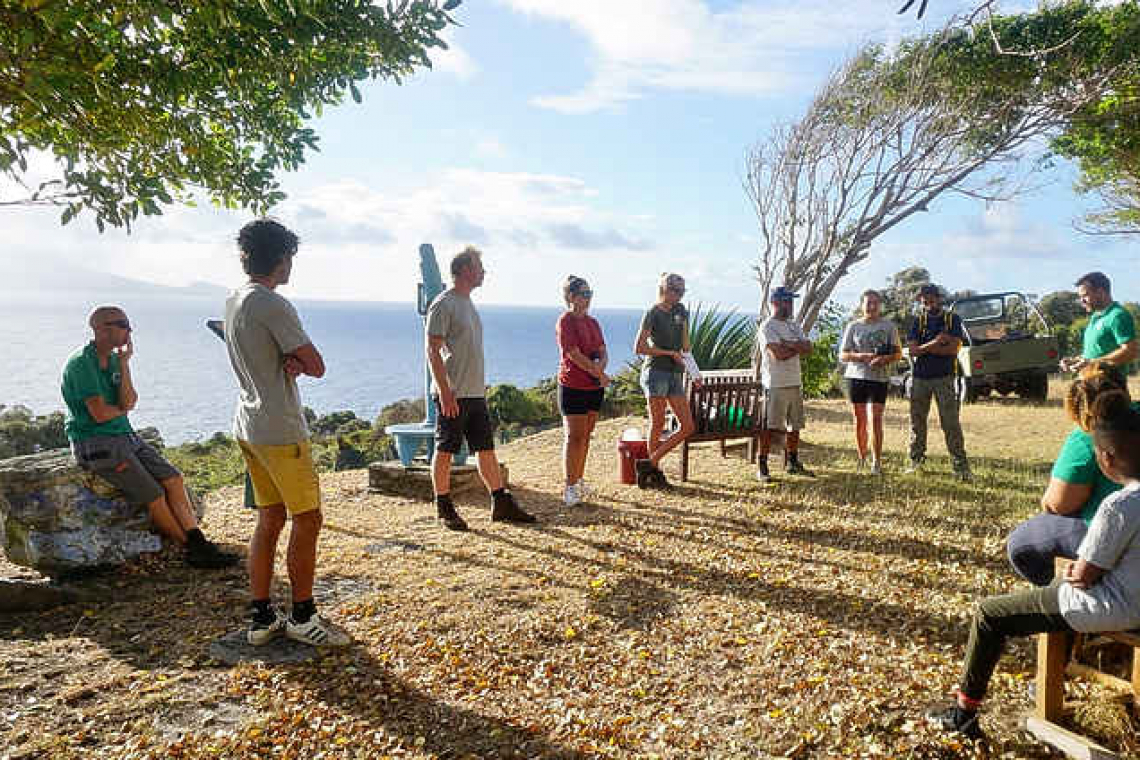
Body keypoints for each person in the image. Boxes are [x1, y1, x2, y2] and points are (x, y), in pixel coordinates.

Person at [927, 391, 1140, 738]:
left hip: (1117, 607)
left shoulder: (1119, 506)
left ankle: (963, 713)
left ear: (1106, 458)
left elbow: (1085, 575)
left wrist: (1074, 570)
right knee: (1049, 593)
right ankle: (1056, 671)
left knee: (989, 615)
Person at [225, 218, 349, 647]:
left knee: (270, 517)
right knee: (308, 519)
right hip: (280, 429)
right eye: (291, 257)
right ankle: (302, 614)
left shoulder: (236, 301)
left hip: (249, 424)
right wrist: (298, 363)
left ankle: (260, 616)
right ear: (281, 259)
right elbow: (316, 364)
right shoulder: (273, 304)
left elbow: (265, 356)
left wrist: (288, 361)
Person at [61, 306, 237, 570]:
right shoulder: (81, 364)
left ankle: (198, 541)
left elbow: (129, 401)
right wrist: (121, 409)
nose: (128, 330)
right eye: (122, 324)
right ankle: (192, 549)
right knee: (154, 495)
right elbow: (99, 414)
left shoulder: (112, 360)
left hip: (124, 435)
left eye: (128, 325)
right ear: (100, 328)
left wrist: (124, 364)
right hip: (97, 444)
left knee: (173, 479)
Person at [426, 246, 535, 530]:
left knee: (485, 449)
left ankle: (501, 502)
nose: (484, 271)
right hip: (454, 394)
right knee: (446, 449)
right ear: (464, 270)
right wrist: (445, 390)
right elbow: (432, 351)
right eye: (479, 266)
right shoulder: (443, 304)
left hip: (474, 392)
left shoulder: (467, 303)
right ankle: (443, 505)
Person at [1006, 362, 1132, 586]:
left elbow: (1058, 505)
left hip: (1117, 532)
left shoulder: (1088, 437)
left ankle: (1052, 601)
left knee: (1020, 543)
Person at [633, 272, 698, 489]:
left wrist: (694, 372)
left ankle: (648, 463)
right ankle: (654, 472)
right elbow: (640, 348)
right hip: (656, 373)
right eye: (676, 291)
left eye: (682, 291)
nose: (680, 295)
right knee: (658, 424)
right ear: (664, 289)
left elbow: (686, 346)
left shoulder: (681, 311)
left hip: (675, 374)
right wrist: (669, 354)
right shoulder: (652, 313)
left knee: (687, 426)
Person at [906, 283, 971, 481]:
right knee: (917, 422)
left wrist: (926, 348)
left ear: (938, 298)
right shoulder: (918, 321)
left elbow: (953, 350)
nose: (927, 301)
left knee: (950, 422)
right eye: (923, 298)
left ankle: (960, 466)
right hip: (920, 378)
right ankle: (916, 461)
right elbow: (913, 351)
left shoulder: (953, 319)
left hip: (944, 377)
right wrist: (936, 343)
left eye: (931, 297)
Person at [555, 276, 610, 506]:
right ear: (571, 297)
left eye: (590, 294)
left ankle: (578, 479)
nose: (588, 299)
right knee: (574, 437)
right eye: (583, 294)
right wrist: (599, 373)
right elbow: (573, 354)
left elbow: (602, 349)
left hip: (593, 387)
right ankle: (569, 485)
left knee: (586, 436)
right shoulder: (565, 321)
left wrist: (600, 368)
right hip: (573, 386)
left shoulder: (593, 322)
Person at [753, 286, 814, 483]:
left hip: (794, 381)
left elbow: (809, 347)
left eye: (791, 301)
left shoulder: (794, 325)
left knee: (794, 425)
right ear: (776, 303)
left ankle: (793, 462)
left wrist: (788, 344)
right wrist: (796, 346)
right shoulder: (767, 327)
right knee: (770, 427)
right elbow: (777, 355)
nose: (790, 305)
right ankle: (762, 465)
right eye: (787, 301)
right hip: (775, 383)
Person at [838, 289, 901, 474]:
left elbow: (897, 353)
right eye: (868, 303)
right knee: (860, 420)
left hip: (879, 378)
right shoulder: (853, 326)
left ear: (879, 305)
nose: (872, 306)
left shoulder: (889, 327)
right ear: (861, 305)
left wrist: (884, 360)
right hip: (856, 377)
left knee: (876, 419)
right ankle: (861, 458)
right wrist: (860, 356)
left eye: (875, 303)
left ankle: (877, 462)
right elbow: (842, 354)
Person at [1060, 271, 1137, 373]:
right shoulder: (1095, 317)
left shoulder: (1118, 315)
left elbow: (1130, 351)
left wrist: (1092, 363)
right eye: (1080, 297)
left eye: (1085, 295)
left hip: (1110, 385)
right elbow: (1094, 355)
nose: (1082, 301)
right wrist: (1075, 360)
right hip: (1091, 384)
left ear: (1101, 292)